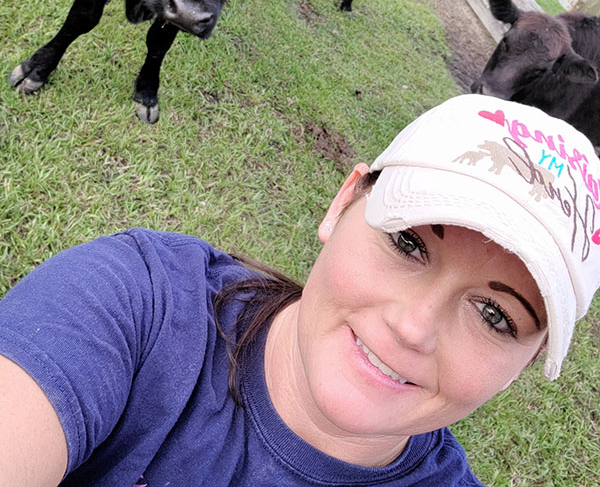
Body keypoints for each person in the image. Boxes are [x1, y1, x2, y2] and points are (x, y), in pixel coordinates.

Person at [1, 93, 599, 487]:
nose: (414, 327)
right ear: (343, 205)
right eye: (409, 244)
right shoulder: (138, 304)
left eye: (496, 315)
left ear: (524, 363)